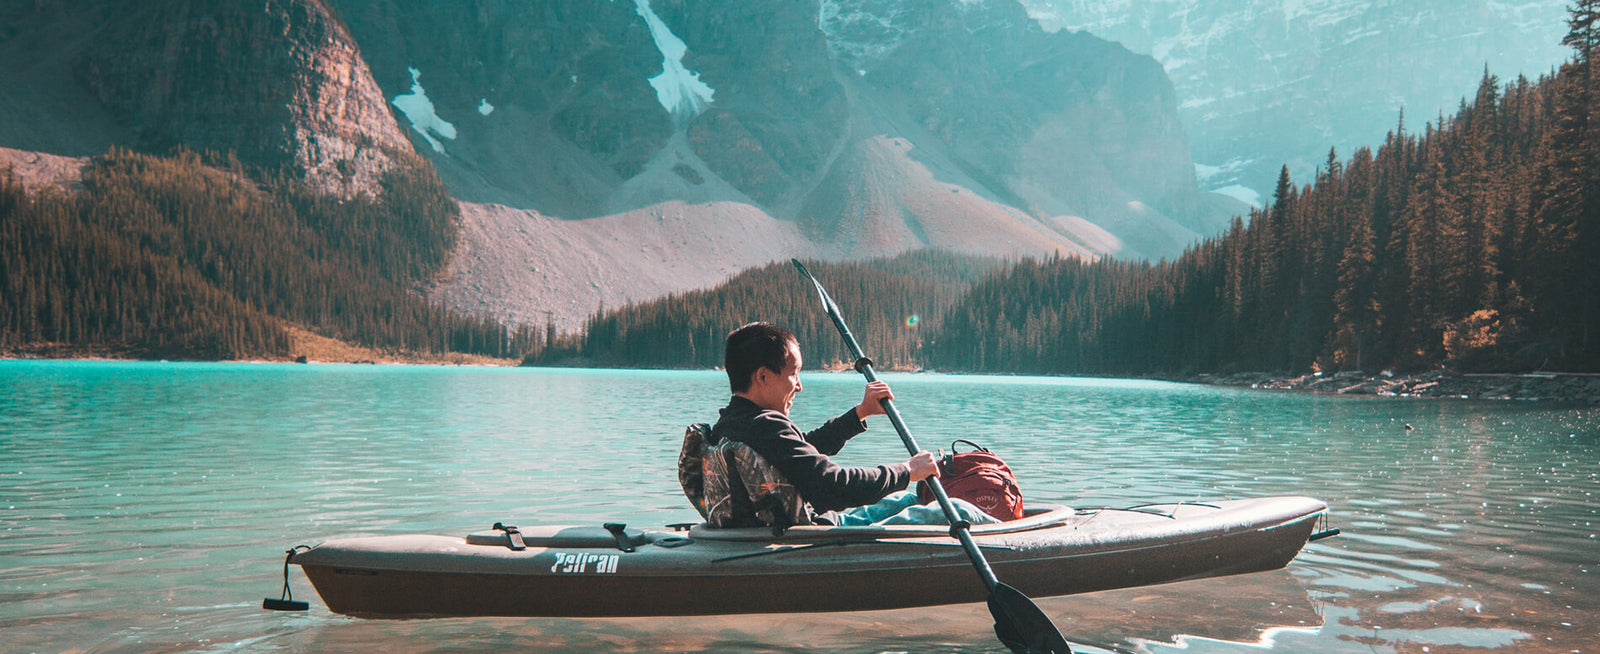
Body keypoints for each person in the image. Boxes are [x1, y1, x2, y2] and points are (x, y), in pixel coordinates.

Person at [710, 322, 1000, 527]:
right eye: (794, 374)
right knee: (956, 509)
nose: (798, 386)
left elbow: (799, 453)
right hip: (821, 536)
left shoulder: (732, 422)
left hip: (795, 527)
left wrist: (859, 414)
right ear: (763, 377)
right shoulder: (766, 425)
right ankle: (1014, 540)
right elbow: (832, 485)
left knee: (908, 500)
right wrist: (906, 470)